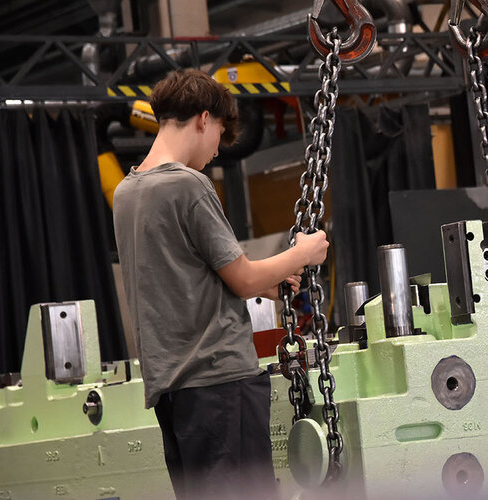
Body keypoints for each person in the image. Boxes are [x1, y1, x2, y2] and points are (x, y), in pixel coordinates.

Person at [113, 69, 329, 500]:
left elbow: (190, 277)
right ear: (203, 119)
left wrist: (271, 279)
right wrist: (304, 252)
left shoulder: (126, 192)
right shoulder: (188, 185)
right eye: (218, 136)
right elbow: (244, 278)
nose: (215, 151)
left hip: (174, 392)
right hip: (219, 383)